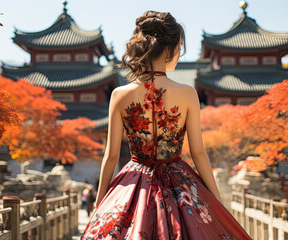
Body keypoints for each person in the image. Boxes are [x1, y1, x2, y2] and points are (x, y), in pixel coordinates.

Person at [80, 10, 251, 240]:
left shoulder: (120, 94)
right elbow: (199, 153)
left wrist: (100, 205)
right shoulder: (188, 94)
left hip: (134, 181)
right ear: (170, 49)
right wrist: (216, 201)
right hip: (179, 183)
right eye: (179, 47)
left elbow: (111, 156)